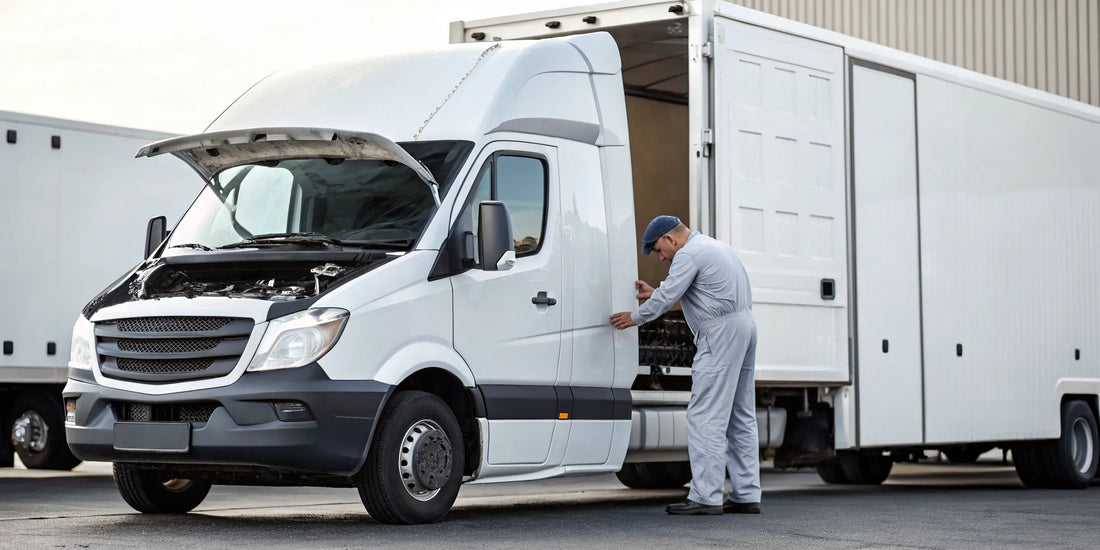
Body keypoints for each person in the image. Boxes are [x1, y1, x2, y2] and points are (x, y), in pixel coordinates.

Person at [609, 215, 761, 515]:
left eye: (658, 250)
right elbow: (700, 290)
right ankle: (746, 494)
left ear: (670, 238)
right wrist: (656, 292)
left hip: (719, 333)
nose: (661, 257)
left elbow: (667, 299)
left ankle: (705, 496)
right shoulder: (717, 248)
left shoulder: (688, 253)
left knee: (705, 415)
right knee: (740, 415)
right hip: (745, 326)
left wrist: (635, 317)